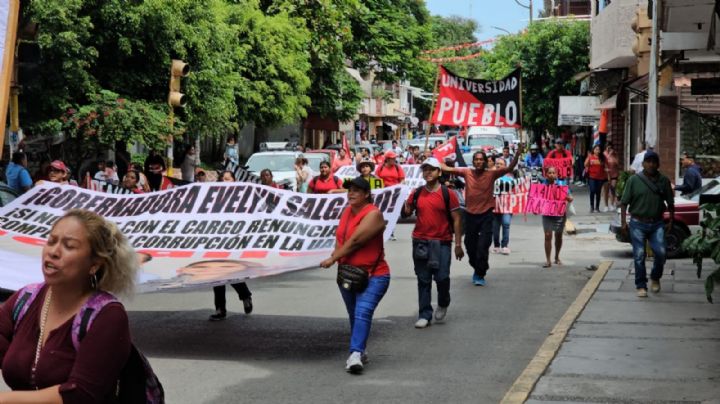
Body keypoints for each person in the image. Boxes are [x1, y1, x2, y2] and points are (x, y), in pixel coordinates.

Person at [0, 209, 138, 402]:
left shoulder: (108, 316)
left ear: (94, 264)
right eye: (51, 241)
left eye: (69, 246)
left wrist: (5, 400)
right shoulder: (25, 299)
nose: (54, 252)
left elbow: (80, 394)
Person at [320, 177, 390, 374]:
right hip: (348, 275)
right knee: (355, 314)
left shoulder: (373, 214)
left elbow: (355, 241)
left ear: (366, 194)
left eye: (356, 190)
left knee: (362, 312)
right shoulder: (347, 212)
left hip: (375, 275)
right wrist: (337, 258)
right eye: (349, 190)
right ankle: (361, 350)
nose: (350, 193)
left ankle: (355, 354)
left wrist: (332, 259)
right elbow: (340, 239)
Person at [441, 145, 523, 286]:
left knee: (483, 246)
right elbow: (447, 168)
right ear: (473, 162)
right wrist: (434, 157)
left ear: (485, 161)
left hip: (486, 214)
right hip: (470, 214)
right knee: (470, 246)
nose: (478, 162)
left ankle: (480, 273)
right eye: (476, 160)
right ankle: (478, 267)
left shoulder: (491, 174)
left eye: (481, 159)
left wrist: (517, 155)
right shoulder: (467, 172)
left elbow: (509, 169)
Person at [402, 158, 463, 329]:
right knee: (423, 279)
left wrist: (458, 244)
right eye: (425, 170)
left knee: (442, 277)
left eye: (432, 169)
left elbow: (457, 219)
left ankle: (443, 302)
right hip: (420, 241)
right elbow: (407, 212)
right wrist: (405, 204)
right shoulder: (417, 192)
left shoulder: (448, 193)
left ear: (439, 172)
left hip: (442, 241)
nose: (428, 172)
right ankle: (424, 314)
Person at [620, 150, 674, 298]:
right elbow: (624, 203)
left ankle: (655, 277)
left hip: (657, 223)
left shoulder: (663, 181)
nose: (651, 164)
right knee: (639, 255)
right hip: (638, 223)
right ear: (643, 163)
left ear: (658, 164)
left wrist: (671, 220)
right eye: (648, 161)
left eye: (654, 162)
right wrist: (623, 222)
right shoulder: (634, 180)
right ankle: (641, 285)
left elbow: (670, 202)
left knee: (661, 253)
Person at [209, 170, 253, 320]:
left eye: (228, 179)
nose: (225, 182)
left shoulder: (241, 197)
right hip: (216, 240)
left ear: (235, 180)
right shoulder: (214, 197)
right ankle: (220, 309)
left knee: (231, 273)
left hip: (233, 241)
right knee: (216, 275)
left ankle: (245, 295)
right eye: (222, 179)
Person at [541, 166, 574, 268]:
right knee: (547, 235)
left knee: (558, 236)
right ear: (546, 174)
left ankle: (556, 257)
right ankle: (548, 260)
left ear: (556, 174)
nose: (551, 175)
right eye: (549, 173)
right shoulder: (542, 185)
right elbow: (537, 199)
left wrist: (567, 197)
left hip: (559, 213)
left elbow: (570, 198)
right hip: (547, 214)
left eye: (553, 173)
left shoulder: (562, 184)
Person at [492, 158, 514, 255]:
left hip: (507, 206)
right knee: (495, 227)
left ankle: (504, 246)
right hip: (495, 206)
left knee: (506, 224)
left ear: (505, 166)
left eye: (501, 164)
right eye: (497, 164)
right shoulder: (490, 176)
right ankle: (496, 246)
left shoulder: (510, 177)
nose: (498, 165)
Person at [585, 145, 607, 213]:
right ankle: (592, 206)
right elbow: (585, 164)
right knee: (592, 190)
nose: (597, 151)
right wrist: (588, 159)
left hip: (600, 177)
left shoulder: (603, 158)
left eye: (598, 149)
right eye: (596, 149)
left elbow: (606, 166)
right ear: (593, 150)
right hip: (592, 177)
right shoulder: (590, 157)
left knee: (598, 192)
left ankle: (597, 207)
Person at [602, 144, 620, 211]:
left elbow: (617, 163)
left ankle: (612, 204)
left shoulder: (615, 154)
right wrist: (609, 154)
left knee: (613, 189)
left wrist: (613, 155)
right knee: (606, 190)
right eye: (608, 147)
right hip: (606, 174)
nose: (609, 149)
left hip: (614, 174)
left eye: (610, 147)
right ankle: (606, 205)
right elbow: (603, 163)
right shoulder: (604, 154)